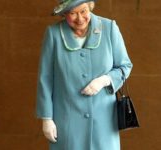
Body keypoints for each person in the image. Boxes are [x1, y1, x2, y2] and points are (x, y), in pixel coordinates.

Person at [36, 0, 133, 149]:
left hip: (104, 119)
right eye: (73, 13)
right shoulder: (53, 34)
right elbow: (46, 78)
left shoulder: (109, 28)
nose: (79, 18)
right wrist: (46, 118)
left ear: (90, 7)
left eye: (83, 11)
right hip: (66, 120)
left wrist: (104, 80)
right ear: (64, 14)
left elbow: (125, 66)